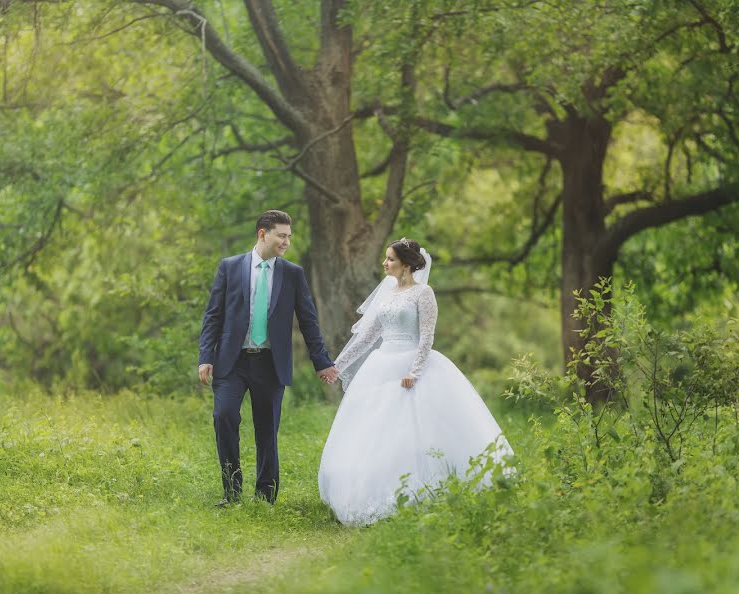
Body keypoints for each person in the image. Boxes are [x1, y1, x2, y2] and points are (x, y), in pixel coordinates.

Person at [318, 238, 512, 526]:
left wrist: (415, 370)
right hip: (382, 364)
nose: (385, 264)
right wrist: (337, 366)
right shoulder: (386, 295)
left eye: (390, 259)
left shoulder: (424, 293)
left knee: (417, 431)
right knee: (376, 432)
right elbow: (368, 337)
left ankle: (426, 491)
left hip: (412, 365)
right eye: (385, 258)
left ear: (406, 264)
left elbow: (427, 336)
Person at [198, 210, 338, 506]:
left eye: (289, 236)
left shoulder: (292, 274)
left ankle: (265, 497)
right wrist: (205, 356)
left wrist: (322, 361)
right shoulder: (230, 267)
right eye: (282, 235)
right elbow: (214, 316)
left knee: (267, 428)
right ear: (263, 234)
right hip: (231, 362)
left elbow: (309, 321)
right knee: (223, 416)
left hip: (270, 363)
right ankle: (232, 493)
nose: (286, 241)